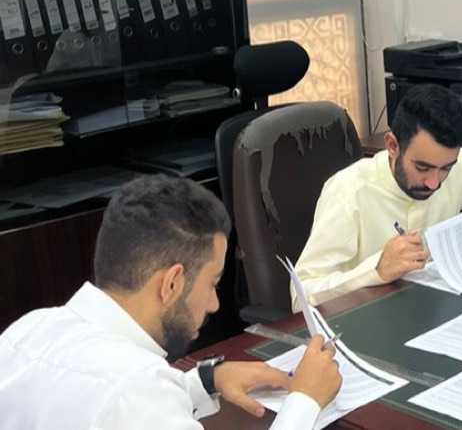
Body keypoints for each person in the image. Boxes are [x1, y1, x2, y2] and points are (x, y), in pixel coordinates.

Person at [0, 174, 342, 429]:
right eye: (212, 284)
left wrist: (204, 381)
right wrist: (305, 400)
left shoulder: (26, 330)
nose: (214, 304)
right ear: (172, 283)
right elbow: (132, 401)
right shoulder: (137, 391)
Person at [295, 83, 462, 307]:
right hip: (366, 321)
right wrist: (376, 270)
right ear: (393, 146)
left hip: (435, 310)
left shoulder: (459, 166)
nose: (434, 183)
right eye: (422, 168)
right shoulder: (348, 193)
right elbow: (301, 296)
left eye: (446, 169)